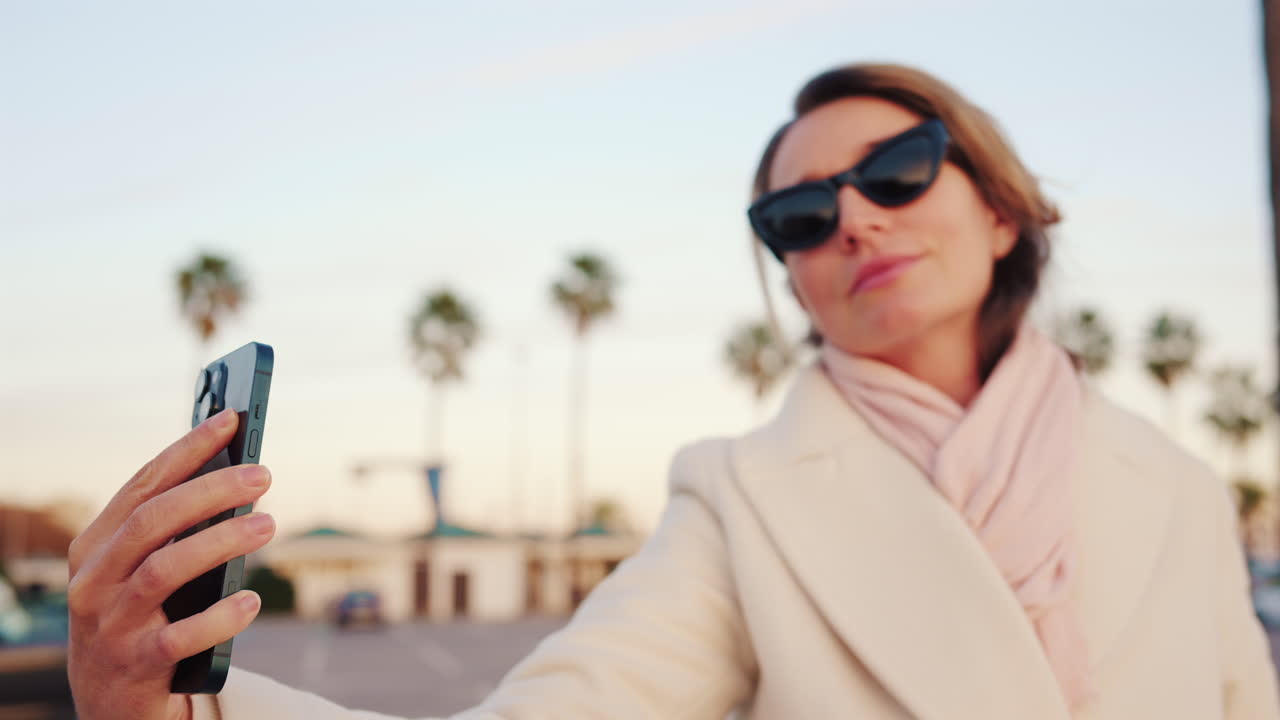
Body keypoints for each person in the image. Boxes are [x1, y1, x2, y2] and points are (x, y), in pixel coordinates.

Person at [67, 63, 1280, 720]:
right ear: (793, 277)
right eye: (799, 215)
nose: (850, 218)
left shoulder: (1171, 488)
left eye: (897, 173)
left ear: (1002, 207)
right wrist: (169, 718)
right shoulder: (741, 499)